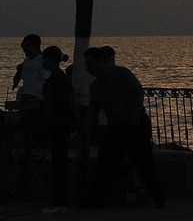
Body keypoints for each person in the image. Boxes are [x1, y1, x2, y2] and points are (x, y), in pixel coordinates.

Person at [82, 46, 165, 209]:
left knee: (144, 163)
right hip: (115, 127)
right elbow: (93, 110)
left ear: (101, 62)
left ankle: (159, 198)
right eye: (86, 64)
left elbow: (138, 91)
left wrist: (134, 114)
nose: (88, 68)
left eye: (90, 63)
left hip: (135, 125)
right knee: (105, 163)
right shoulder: (96, 86)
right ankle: (96, 200)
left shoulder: (121, 74)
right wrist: (83, 131)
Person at [41, 46, 74, 214]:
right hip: (57, 125)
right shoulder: (56, 78)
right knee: (58, 164)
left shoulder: (58, 79)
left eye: (44, 59)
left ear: (51, 60)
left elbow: (62, 104)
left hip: (58, 126)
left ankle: (60, 202)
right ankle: (59, 201)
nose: (42, 62)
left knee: (59, 164)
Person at [12, 34, 47, 106]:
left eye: (28, 46)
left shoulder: (43, 61)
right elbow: (17, 79)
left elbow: (47, 80)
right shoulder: (26, 61)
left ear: (35, 46)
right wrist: (19, 71)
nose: (25, 49)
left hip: (39, 98)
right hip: (27, 97)